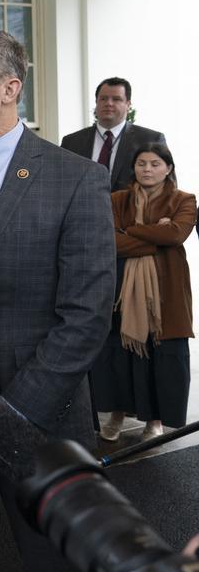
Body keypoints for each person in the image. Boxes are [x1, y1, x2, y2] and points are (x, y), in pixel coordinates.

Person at [0, 30, 116, 572]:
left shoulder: (76, 178)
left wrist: (12, 414)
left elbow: (87, 316)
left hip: (41, 415)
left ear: (11, 88)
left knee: (54, 568)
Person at [93, 144, 195, 442]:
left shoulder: (184, 200)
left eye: (154, 164)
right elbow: (107, 239)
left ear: (168, 168)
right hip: (121, 290)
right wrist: (155, 235)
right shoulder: (117, 200)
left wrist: (131, 231)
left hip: (167, 292)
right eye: (141, 164)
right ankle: (117, 414)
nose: (147, 169)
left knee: (161, 356)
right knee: (120, 353)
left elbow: (177, 234)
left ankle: (155, 421)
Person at [60, 78, 167, 192]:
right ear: (96, 102)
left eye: (116, 99)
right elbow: (60, 182)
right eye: (103, 99)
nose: (109, 103)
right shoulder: (71, 142)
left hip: (134, 208)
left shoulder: (150, 139)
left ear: (128, 104)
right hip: (83, 208)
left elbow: (166, 187)